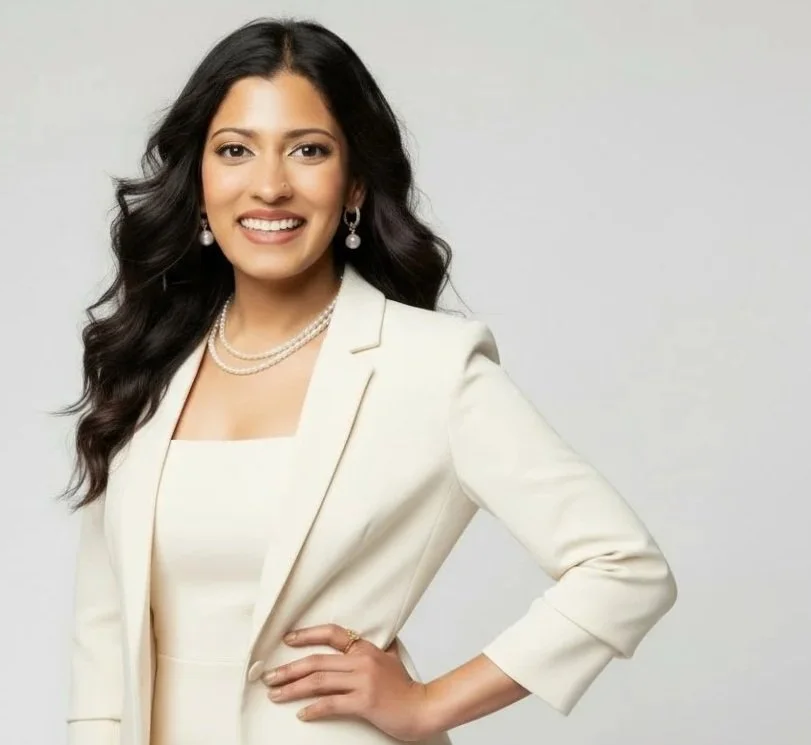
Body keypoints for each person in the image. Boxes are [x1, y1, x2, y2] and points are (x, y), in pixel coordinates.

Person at [59, 16, 678, 745]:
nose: (269, 185)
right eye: (234, 151)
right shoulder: (148, 364)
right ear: (198, 183)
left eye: (308, 151)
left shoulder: (430, 367)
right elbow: (103, 639)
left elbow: (622, 567)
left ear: (352, 184)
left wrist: (430, 704)